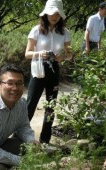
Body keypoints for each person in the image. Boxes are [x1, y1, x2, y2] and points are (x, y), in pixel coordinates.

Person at [25, 0, 72, 144]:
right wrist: (40, 53)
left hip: (54, 69)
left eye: (58, 13)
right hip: (39, 69)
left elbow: (69, 54)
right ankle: (21, 135)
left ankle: (45, 140)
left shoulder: (64, 32)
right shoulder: (36, 30)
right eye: (52, 13)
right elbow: (27, 53)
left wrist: (62, 57)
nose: (55, 16)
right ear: (46, 14)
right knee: (31, 103)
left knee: (51, 105)